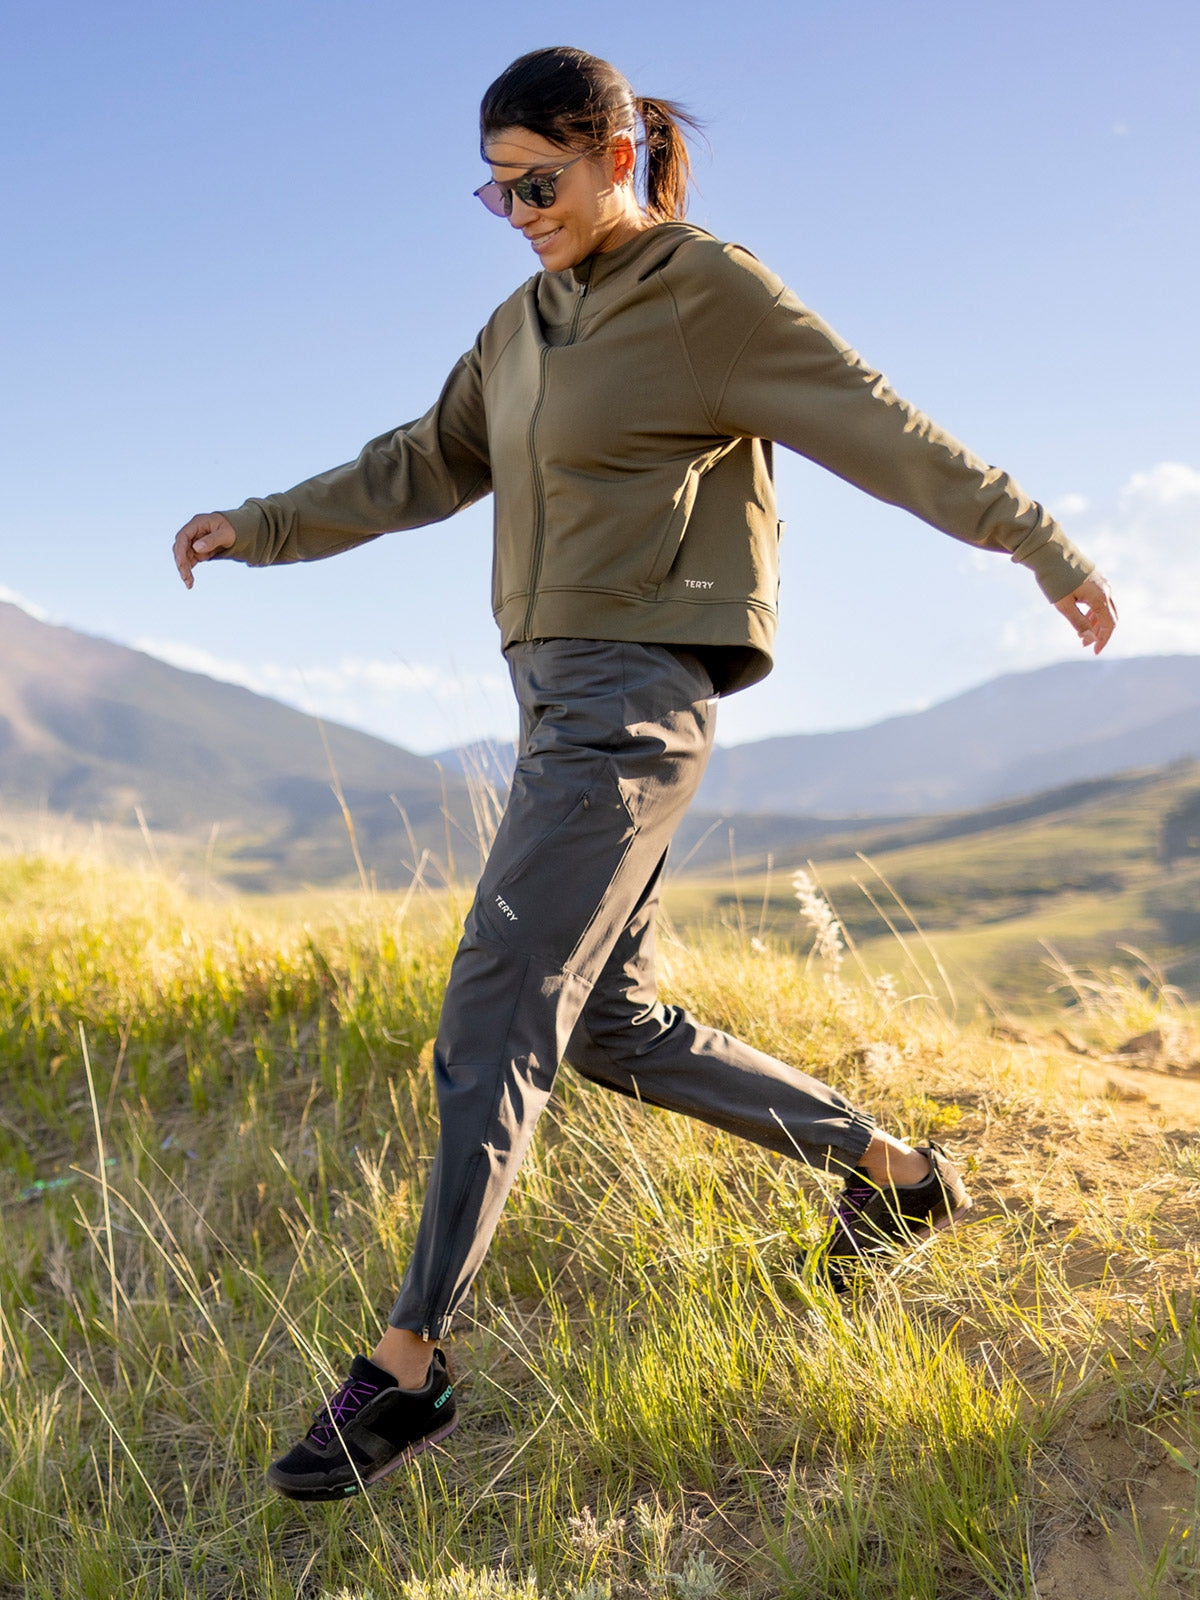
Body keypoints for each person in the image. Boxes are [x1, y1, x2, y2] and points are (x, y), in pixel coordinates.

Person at [173, 46, 1116, 1503]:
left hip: (636, 699)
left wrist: (1038, 540)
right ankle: (893, 1177)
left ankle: (407, 1363)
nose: (519, 212)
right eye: (493, 195)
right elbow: (421, 463)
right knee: (608, 1023)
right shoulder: (521, 322)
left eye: (537, 184)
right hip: (551, 701)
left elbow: (879, 422)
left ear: (616, 153)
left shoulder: (704, 293)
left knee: (497, 998)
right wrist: (262, 524)